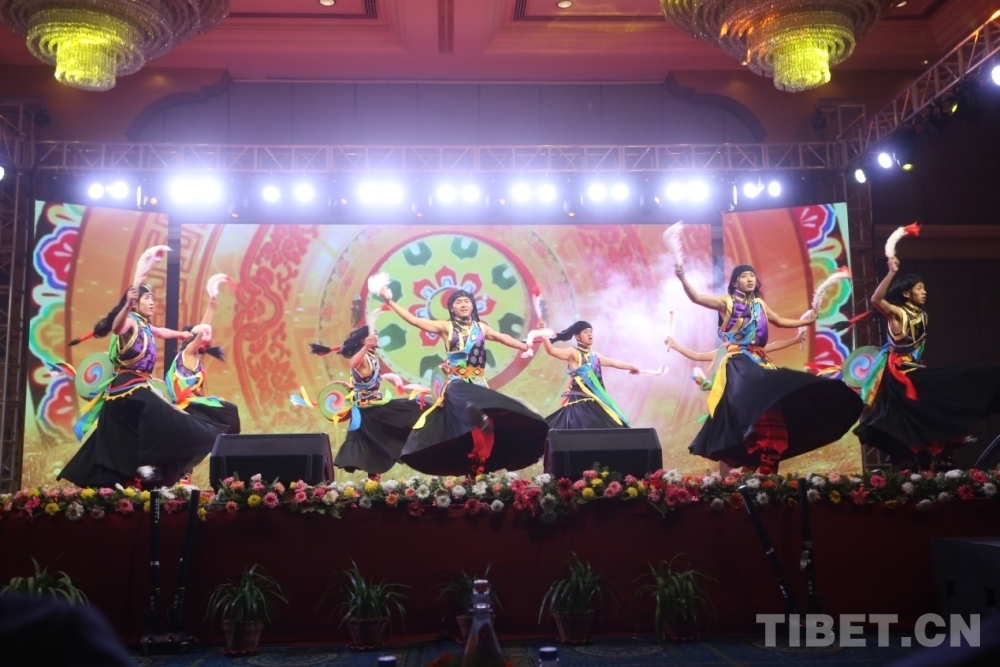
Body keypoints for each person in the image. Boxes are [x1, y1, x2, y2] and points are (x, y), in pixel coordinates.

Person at [675, 264, 862, 473]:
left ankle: (761, 461)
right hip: (739, 364)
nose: (750, 279)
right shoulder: (726, 303)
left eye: (752, 275)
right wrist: (683, 278)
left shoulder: (759, 304)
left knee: (772, 406)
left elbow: (779, 321)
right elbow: (696, 298)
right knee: (752, 408)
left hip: (760, 361)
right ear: (735, 282)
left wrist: (807, 321)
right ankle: (752, 452)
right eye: (744, 276)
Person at [58, 285, 223, 488]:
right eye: (147, 298)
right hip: (126, 386)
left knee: (163, 418)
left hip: (140, 384)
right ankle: (146, 461)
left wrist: (180, 334)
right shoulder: (129, 322)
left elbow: (161, 331)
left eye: (152, 298)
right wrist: (127, 305)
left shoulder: (146, 326)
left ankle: (148, 465)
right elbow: (117, 328)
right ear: (135, 303)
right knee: (155, 410)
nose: (152, 302)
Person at [379, 287, 549, 475]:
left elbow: (503, 337)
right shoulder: (446, 327)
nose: (463, 304)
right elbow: (414, 320)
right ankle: (470, 410)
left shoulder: (481, 327)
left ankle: (479, 459)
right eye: (458, 302)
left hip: (478, 382)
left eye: (466, 301)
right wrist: (390, 301)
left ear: (472, 305)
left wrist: (524, 345)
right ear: (452, 308)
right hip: (456, 380)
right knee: (458, 394)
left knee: (484, 427)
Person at [853, 257, 1000, 468]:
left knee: (951, 389)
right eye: (919, 288)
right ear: (906, 294)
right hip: (901, 376)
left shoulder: (922, 315)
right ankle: (945, 440)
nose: (924, 292)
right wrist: (891, 272)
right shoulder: (898, 314)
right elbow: (876, 299)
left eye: (924, 288)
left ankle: (945, 441)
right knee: (950, 387)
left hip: (915, 370)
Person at [309, 325, 428, 477]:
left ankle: (373, 483)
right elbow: (354, 364)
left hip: (375, 406)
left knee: (375, 448)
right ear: (362, 340)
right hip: (368, 410)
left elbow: (369, 374)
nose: (376, 337)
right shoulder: (363, 356)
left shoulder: (372, 355)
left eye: (376, 335)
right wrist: (365, 347)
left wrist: (390, 379)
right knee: (376, 446)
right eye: (371, 335)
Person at [537, 319, 637, 429]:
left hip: (595, 400)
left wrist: (631, 367)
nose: (590, 334)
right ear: (577, 337)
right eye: (585, 332)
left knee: (615, 423)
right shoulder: (573, 353)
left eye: (591, 331)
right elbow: (551, 351)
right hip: (580, 402)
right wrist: (543, 332)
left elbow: (613, 362)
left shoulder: (594, 356)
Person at [165, 295, 241, 434]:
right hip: (188, 406)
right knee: (230, 412)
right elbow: (201, 332)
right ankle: (230, 445)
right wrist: (210, 309)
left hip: (195, 404)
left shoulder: (194, 359)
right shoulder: (188, 353)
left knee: (225, 412)